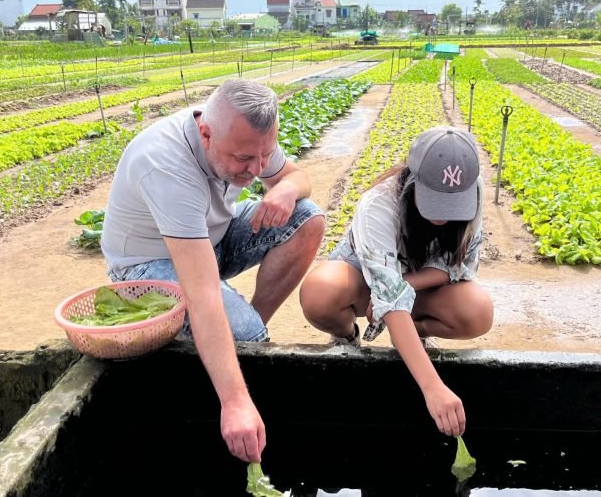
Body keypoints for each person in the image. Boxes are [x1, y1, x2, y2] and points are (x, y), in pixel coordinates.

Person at [101, 79, 326, 462]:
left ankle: (245, 332)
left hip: (212, 239)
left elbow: (296, 176)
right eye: (243, 161)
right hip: (150, 263)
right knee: (245, 333)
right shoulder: (165, 164)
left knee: (307, 218)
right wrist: (236, 402)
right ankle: (243, 343)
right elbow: (202, 291)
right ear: (205, 133)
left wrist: (286, 189)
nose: (256, 170)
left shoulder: (247, 140)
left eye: (263, 156)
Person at [300, 126, 493, 438]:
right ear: (412, 180)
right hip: (364, 280)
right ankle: (347, 336)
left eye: (451, 205)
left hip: (417, 283)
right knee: (320, 291)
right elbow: (386, 294)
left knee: (477, 310)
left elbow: (460, 267)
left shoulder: (474, 194)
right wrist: (433, 389)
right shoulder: (379, 203)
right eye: (433, 201)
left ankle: (413, 332)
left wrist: (406, 284)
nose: (443, 217)